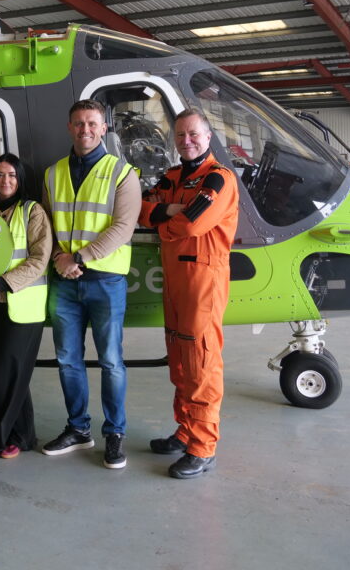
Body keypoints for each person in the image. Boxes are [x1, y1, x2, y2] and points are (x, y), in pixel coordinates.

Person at [138, 109, 238, 479]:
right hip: (176, 282)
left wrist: (165, 223)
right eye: (180, 135)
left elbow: (193, 223)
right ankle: (185, 431)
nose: (187, 141)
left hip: (203, 282)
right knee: (180, 361)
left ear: (208, 137)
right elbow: (141, 209)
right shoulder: (172, 177)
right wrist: (165, 209)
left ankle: (203, 446)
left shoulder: (219, 179)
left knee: (201, 363)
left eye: (193, 134)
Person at [41, 99, 141, 469]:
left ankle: (114, 433)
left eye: (92, 123)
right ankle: (78, 430)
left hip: (106, 282)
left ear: (104, 128)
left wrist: (77, 258)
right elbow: (47, 225)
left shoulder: (122, 174)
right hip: (65, 283)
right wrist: (58, 260)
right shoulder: (52, 174)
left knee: (111, 361)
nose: (85, 130)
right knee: (68, 360)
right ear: (70, 127)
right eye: (79, 123)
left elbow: (122, 228)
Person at [0, 153, 51, 461]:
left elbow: (39, 260)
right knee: (1, 371)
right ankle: (22, 435)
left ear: (20, 179)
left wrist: (3, 282)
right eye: (0, 174)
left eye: (12, 175)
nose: (5, 181)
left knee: (7, 371)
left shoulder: (33, 211)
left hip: (22, 304)